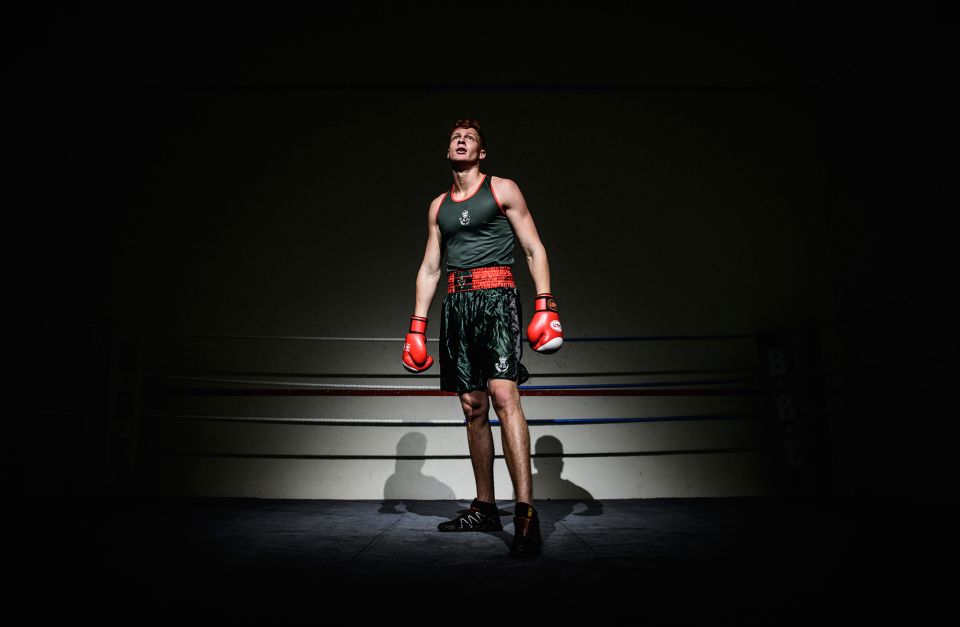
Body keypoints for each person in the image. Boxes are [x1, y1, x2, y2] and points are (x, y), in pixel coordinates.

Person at [401, 119, 563, 558]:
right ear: (447, 150)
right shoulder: (438, 206)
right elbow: (431, 267)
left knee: (504, 395)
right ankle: (485, 506)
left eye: (470, 137)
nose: (460, 140)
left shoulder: (503, 189)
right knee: (472, 406)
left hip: (497, 299)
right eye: (455, 136)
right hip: (457, 305)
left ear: (482, 153)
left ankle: (526, 513)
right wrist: (417, 324)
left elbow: (534, 248)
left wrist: (545, 302)